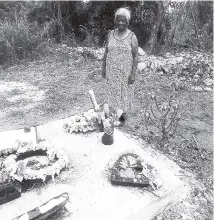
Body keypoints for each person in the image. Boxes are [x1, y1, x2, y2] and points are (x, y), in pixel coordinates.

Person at [102, 7, 138, 124]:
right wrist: (103, 68)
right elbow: (106, 51)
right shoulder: (111, 34)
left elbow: (136, 56)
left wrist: (133, 74)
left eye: (123, 20)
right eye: (119, 20)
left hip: (125, 71)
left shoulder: (132, 36)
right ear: (115, 21)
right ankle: (114, 112)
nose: (121, 23)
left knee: (124, 92)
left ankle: (122, 115)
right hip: (111, 69)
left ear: (127, 22)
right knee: (112, 91)